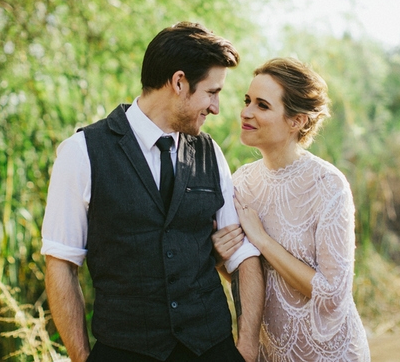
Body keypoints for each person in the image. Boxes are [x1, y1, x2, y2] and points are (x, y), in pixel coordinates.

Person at [41, 22, 264, 362]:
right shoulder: (81, 152)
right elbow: (60, 263)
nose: (216, 107)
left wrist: (246, 348)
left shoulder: (210, 152)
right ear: (179, 83)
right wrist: (80, 357)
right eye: (212, 92)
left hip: (211, 348)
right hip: (125, 351)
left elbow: (241, 255)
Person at [213, 57, 371, 362]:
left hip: (329, 354)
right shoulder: (241, 183)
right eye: (247, 101)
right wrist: (220, 260)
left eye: (262, 105)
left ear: (296, 121)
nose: (246, 112)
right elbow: (255, 281)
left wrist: (262, 240)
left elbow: (332, 293)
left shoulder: (328, 185)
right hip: (270, 353)